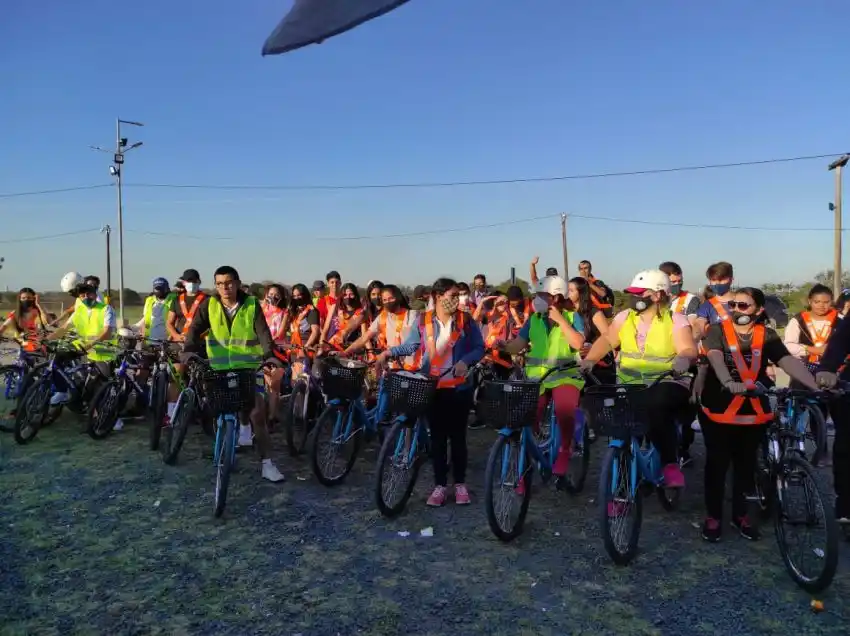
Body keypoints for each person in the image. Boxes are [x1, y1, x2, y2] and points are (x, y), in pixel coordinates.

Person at [700, 287, 817, 542]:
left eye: (744, 305)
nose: (736, 310)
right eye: (733, 305)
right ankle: (713, 516)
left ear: (759, 310)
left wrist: (814, 386)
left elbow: (787, 361)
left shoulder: (767, 335)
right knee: (717, 463)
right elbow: (715, 357)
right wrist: (728, 382)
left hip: (753, 409)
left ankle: (740, 515)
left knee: (746, 464)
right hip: (719, 406)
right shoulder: (717, 330)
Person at [582, 269, 698, 491]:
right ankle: (621, 491)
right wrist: (590, 360)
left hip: (667, 382)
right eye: (632, 293)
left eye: (639, 293)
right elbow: (608, 340)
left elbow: (687, 348)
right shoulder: (625, 317)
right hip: (630, 384)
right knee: (618, 426)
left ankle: (669, 463)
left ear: (657, 295)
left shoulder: (676, 320)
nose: (634, 298)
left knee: (656, 406)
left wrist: (684, 359)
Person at [380, 278, 485, 507]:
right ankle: (439, 485)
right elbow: (411, 345)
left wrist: (466, 362)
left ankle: (459, 483)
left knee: (457, 438)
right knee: (437, 439)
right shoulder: (423, 320)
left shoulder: (465, 320)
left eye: (457, 295)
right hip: (432, 387)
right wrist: (389, 352)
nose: (456, 299)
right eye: (452, 295)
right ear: (438, 297)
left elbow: (479, 347)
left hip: (459, 388)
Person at [182, 266, 284, 482]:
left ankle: (267, 464)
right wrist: (189, 350)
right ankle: (224, 445)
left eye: (228, 283)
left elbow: (264, 333)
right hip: (219, 367)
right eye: (219, 283)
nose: (224, 287)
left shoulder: (251, 304)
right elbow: (194, 330)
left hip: (248, 366)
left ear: (237, 283)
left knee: (257, 412)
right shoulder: (208, 304)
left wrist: (269, 356)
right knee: (216, 408)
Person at [502, 276, 585, 479]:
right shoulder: (534, 320)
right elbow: (518, 344)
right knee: (528, 417)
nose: (536, 300)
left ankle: (565, 448)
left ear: (555, 298)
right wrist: (503, 346)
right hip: (537, 379)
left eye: (541, 295)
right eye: (536, 295)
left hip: (565, 376)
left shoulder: (573, 317)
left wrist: (561, 321)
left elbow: (578, 344)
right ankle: (528, 462)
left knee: (565, 409)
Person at [48, 283, 117, 405]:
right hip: (84, 347)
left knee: (100, 386)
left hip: (103, 351)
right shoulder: (79, 311)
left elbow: (106, 333)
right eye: (82, 295)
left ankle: (111, 417)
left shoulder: (106, 309)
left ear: (95, 295)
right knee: (57, 358)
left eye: (88, 294)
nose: (85, 297)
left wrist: (89, 345)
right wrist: (47, 339)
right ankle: (62, 391)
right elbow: (64, 328)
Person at [784, 284, 837, 372]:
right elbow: (789, 345)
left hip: (833, 368)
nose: (821, 306)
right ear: (809, 301)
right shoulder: (798, 320)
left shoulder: (840, 319)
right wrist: (812, 350)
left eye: (826, 302)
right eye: (817, 302)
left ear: (831, 301)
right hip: (804, 369)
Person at [261, 284, 289, 428]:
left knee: (274, 385)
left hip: (278, 351)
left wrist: (268, 340)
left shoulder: (284, 313)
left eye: (276, 294)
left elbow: (281, 333)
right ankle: (270, 414)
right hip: (262, 350)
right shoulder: (260, 311)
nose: (273, 297)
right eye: (271, 293)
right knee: (266, 384)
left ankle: (272, 416)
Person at [282, 283, 321, 381]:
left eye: (299, 295)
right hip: (293, 349)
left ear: (305, 295)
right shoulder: (294, 311)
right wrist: (288, 311)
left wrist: (305, 347)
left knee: (298, 380)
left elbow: (315, 332)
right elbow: (283, 329)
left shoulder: (312, 311)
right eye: (294, 296)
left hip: (305, 348)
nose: (297, 298)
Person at [0, 288, 49, 352]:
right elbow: (4, 325)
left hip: (40, 342)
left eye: (29, 298)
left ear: (34, 298)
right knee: (28, 356)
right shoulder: (15, 313)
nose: (26, 300)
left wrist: (38, 304)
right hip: (24, 342)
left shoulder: (38, 311)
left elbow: (48, 321)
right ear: (20, 299)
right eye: (23, 298)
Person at [694, 262, 736, 337]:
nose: (717, 283)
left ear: (731, 279)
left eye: (721, 280)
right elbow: (700, 322)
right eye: (713, 280)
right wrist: (697, 334)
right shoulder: (707, 305)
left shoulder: (743, 302)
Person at [321, 282, 364, 350]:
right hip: (329, 345)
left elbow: (363, 336)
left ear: (356, 295)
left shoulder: (360, 312)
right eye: (345, 295)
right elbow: (325, 330)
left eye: (351, 294)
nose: (348, 297)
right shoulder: (334, 307)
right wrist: (321, 345)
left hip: (347, 348)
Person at [659, 261, 700, 327]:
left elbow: (693, 325)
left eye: (680, 281)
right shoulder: (655, 299)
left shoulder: (691, 299)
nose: (677, 284)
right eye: (673, 282)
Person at [135, 278, 172, 342]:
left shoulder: (173, 299)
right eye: (156, 289)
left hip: (168, 341)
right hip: (151, 340)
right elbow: (145, 319)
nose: (158, 291)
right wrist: (134, 327)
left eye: (161, 289)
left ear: (166, 288)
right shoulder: (149, 300)